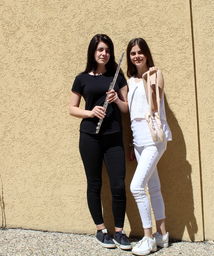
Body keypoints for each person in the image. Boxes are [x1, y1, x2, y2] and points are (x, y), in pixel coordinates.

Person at [69, 34, 131, 250]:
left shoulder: (117, 76)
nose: (104, 53)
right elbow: (72, 109)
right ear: (93, 52)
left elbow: (127, 110)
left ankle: (120, 232)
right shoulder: (82, 78)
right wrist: (90, 112)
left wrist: (118, 100)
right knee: (94, 183)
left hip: (113, 137)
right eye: (100, 50)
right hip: (89, 137)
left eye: (107, 50)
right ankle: (101, 229)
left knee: (117, 184)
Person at [126, 38, 172, 256]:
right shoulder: (130, 80)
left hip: (154, 139)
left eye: (140, 52)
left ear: (146, 53)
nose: (137, 56)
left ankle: (148, 238)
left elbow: (154, 105)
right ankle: (162, 235)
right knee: (153, 187)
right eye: (133, 53)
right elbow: (131, 111)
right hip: (138, 140)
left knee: (136, 187)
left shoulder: (155, 74)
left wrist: (147, 79)